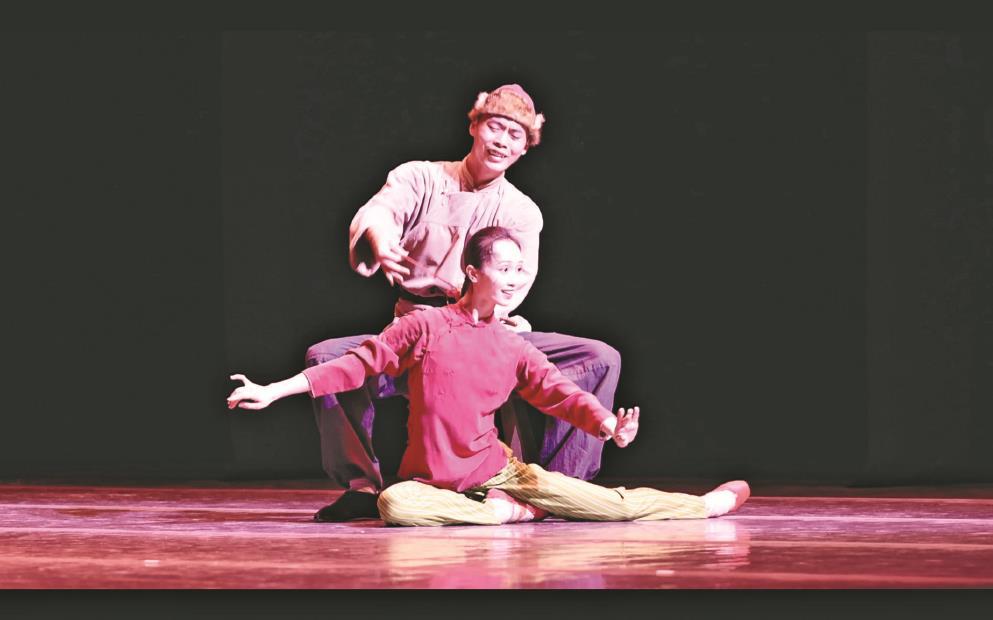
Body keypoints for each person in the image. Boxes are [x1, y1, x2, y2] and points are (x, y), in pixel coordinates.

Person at [228, 227, 750, 527]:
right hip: (431, 484)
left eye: (519, 270)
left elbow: (560, 392)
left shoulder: (511, 344)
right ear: (473, 272)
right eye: (504, 268)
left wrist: (608, 426)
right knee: (393, 503)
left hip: (502, 475)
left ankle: (707, 504)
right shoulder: (425, 326)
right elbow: (354, 365)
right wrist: (274, 390)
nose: (514, 279)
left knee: (609, 507)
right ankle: (511, 516)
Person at [303, 84, 621, 521]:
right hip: (416, 332)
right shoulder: (422, 177)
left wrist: (489, 321)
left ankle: (560, 485)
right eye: (495, 127)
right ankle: (361, 486)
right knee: (326, 357)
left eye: (515, 134)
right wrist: (380, 237)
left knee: (598, 358)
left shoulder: (521, 211)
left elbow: (516, 282)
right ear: (474, 126)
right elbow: (381, 211)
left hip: (484, 332)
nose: (502, 140)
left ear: (525, 148)